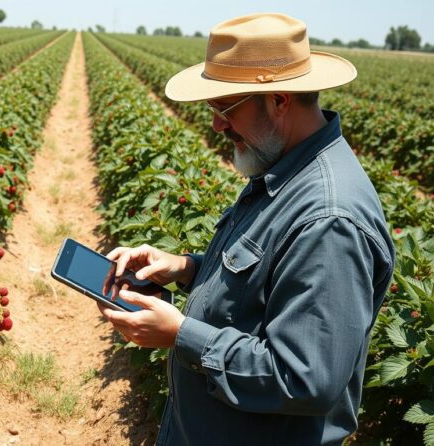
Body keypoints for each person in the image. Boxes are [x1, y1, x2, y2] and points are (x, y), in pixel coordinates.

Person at [96, 13, 395, 445]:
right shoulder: (285, 171)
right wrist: (184, 268)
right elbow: (266, 285)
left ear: (279, 99)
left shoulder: (329, 220)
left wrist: (182, 335)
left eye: (226, 108)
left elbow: (305, 376)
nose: (216, 124)